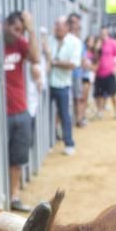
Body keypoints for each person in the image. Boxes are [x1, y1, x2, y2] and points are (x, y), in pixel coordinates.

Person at [2, 10, 40, 211]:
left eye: (21, 30)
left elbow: (35, 58)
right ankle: (0, 193)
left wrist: (31, 31)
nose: (18, 33)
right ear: (6, 25)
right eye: (16, 29)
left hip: (20, 110)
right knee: (0, 156)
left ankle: (14, 195)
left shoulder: (20, 43)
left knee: (17, 158)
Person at [47, 17, 82, 156]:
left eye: (59, 26)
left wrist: (54, 62)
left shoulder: (74, 42)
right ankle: (49, 142)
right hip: (47, 85)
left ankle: (69, 143)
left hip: (62, 84)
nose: (56, 29)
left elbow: (73, 64)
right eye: (55, 25)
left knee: (64, 115)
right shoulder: (49, 40)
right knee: (46, 115)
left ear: (67, 27)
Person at [93, 27, 116, 119]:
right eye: (101, 33)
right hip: (99, 73)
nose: (103, 35)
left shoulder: (113, 43)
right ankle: (100, 111)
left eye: (104, 33)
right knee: (99, 94)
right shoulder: (97, 44)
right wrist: (97, 48)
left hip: (109, 72)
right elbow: (94, 58)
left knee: (113, 93)